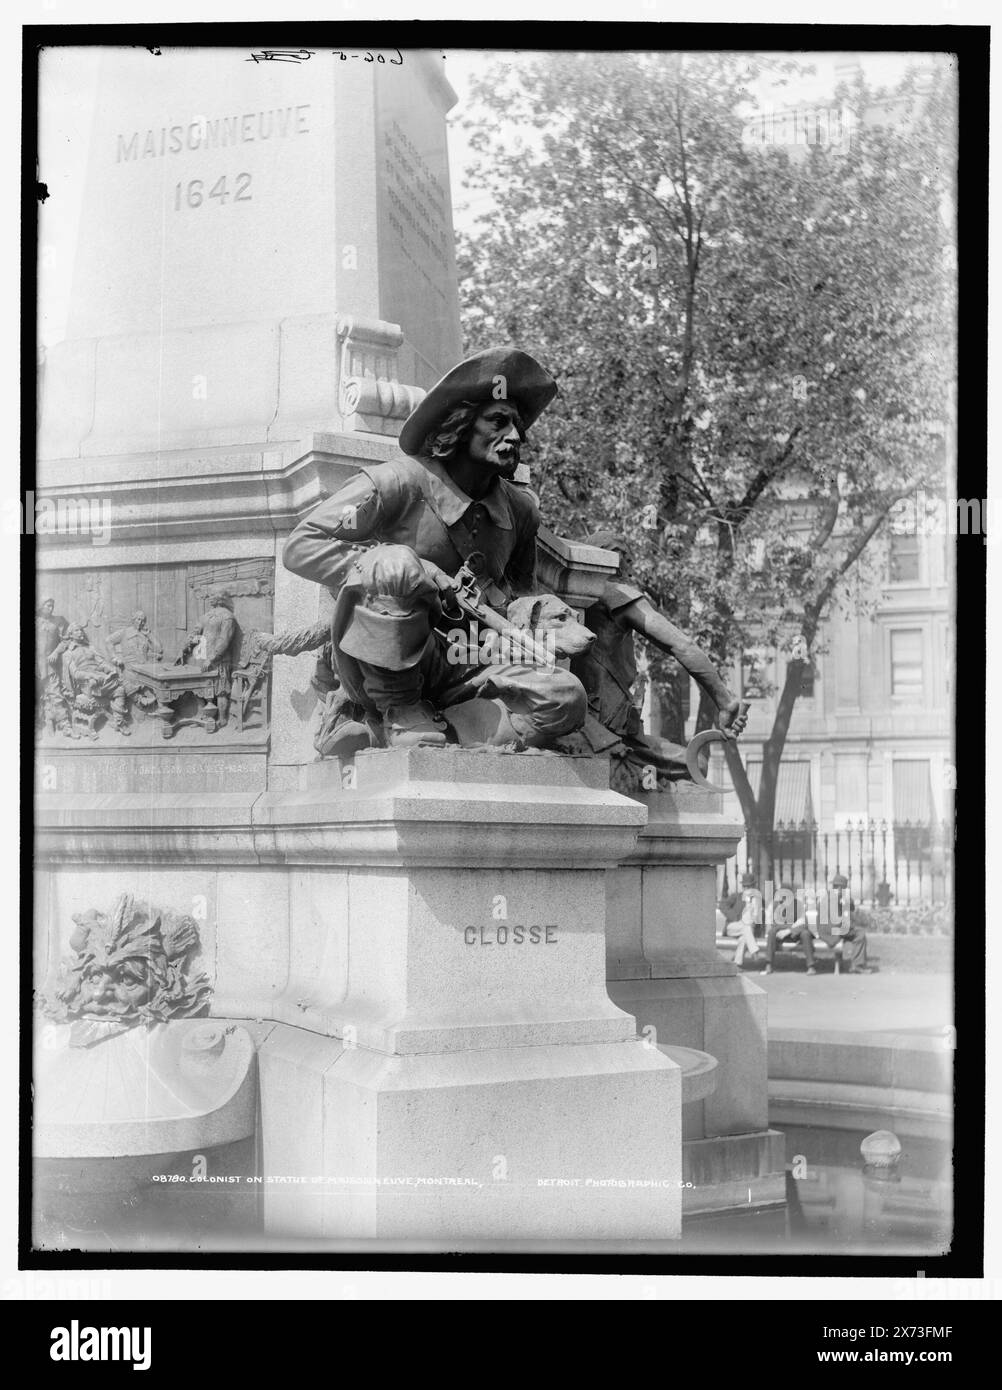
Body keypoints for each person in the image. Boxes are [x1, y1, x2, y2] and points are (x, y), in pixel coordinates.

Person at [282, 347, 588, 754]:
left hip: (473, 659)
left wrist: (540, 622)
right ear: (459, 424)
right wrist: (401, 566)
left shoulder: (520, 511)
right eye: (498, 421)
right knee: (395, 563)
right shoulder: (396, 482)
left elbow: (520, 594)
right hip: (382, 661)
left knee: (566, 698)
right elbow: (301, 546)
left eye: (517, 426)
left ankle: (431, 732)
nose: (514, 436)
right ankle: (399, 713)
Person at [571, 530, 747, 789]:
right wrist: (725, 700)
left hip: (606, 726)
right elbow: (681, 644)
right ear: (614, 559)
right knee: (697, 763)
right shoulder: (616, 594)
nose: (630, 567)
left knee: (694, 762)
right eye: (626, 557)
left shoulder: (581, 599)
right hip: (606, 730)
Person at [761, 884, 818, 975]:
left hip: (795, 935)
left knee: (806, 934)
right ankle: (768, 965)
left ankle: (811, 966)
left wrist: (789, 930)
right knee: (771, 932)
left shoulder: (798, 905)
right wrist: (791, 926)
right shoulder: (776, 905)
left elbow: (804, 923)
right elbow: (775, 924)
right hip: (781, 934)